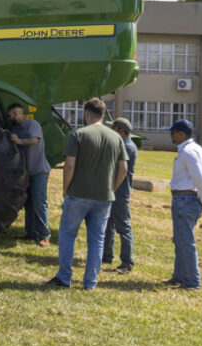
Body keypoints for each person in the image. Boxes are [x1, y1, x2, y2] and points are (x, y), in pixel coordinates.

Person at [46, 98, 127, 290]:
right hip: (104, 197)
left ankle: (64, 277)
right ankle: (90, 282)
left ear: (86, 114)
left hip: (78, 194)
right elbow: (123, 168)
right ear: (103, 114)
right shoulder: (116, 138)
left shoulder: (78, 134)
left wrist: (66, 189)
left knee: (67, 235)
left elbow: (69, 166)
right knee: (97, 239)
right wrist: (112, 189)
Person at [165, 118, 202, 290]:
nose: (171, 136)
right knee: (180, 239)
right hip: (188, 199)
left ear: (181, 134)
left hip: (185, 199)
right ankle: (179, 276)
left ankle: (192, 282)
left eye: (173, 133)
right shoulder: (199, 150)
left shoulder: (187, 152)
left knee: (185, 241)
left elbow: (201, 179)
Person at [8, 103, 51, 247]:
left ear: (19, 113)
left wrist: (19, 141)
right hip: (27, 173)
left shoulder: (33, 125)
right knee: (29, 204)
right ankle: (31, 233)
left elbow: (34, 140)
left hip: (39, 171)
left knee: (40, 203)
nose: (12, 117)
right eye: (10, 115)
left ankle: (45, 236)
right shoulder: (16, 129)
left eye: (13, 114)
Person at [102, 117, 137, 272]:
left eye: (114, 129)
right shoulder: (123, 145)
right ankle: (106, 256)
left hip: (120, 193)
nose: (111, 132)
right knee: (108, 225)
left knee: (123, 227)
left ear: (122, 132)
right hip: (113, 190)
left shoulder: (127, 147)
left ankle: (127, 262)